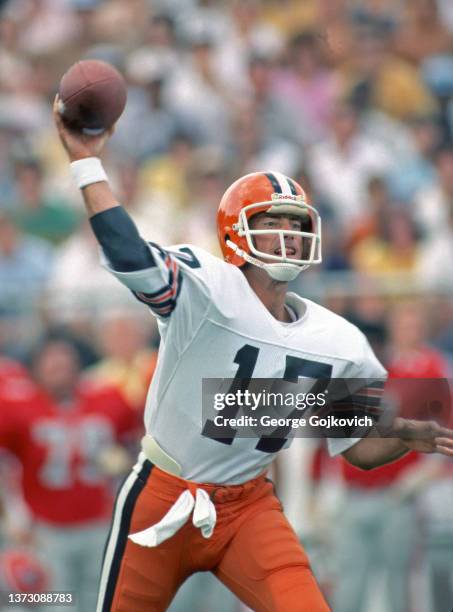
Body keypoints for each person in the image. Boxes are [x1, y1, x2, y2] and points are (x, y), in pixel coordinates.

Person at [53, 98, 453, 612]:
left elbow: (354, 446)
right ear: (234, 232)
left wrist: (404, 436)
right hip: (164, 494)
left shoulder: (339, 338)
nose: (289, 236)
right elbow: (128, 252)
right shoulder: (207, 287)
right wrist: (86, 162)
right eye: (272, 222)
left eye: (297, 224)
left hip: (249, 506)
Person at [0, 332, 140, 612]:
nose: (59, 367)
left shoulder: (107, 396)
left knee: (101, 601)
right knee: (55, 602)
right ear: (35, 367)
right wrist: (11, 514)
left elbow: (139, 441)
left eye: (65, 359)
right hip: (45, 528)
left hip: (99, 522)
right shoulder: (16, 404)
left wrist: (124, 462)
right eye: (50, 361)